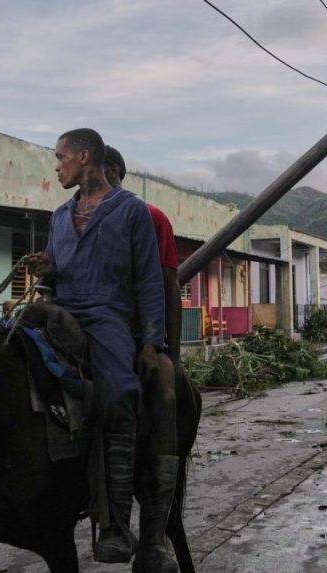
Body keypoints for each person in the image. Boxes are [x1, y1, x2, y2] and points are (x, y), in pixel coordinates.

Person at [28, 128, 164, 564]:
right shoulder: (58, 216)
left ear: (85, 157)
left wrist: (151, 340)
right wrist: (46, 266)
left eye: (61, 157)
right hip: (60, 311)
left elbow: (149, 280)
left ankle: (115, 524)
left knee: (122, 392)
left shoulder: (131, 212)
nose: (57, 165)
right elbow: (54, 272)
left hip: (107, 316)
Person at [104, 144, 181, 571]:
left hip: (135, 335)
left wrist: (168, 349)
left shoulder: (151, 219)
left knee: (163, 394)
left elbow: (168, 285)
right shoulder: (71, 214)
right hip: (88, 328)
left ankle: (152, 537)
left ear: (112, 170)